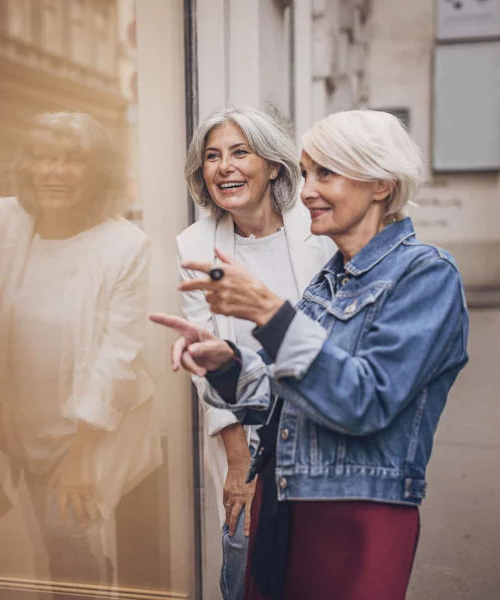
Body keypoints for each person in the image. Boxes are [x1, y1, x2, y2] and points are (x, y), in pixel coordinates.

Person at [152, 110, 470, 600]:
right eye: (307, 173)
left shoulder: (427, 274)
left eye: (326, 173)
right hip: (288, 504)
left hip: (357, 515)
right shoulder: (329, 281)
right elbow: (285, 398)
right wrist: (226, 365)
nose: (306, 192)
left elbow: (365, 398)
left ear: (381, 184)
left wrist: (271, 315)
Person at [0, 112, 162, 584]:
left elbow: (118, 356)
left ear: (98, 172)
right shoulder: (2, 226)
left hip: (85, 433)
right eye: (43, 158)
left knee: (71, 554)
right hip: (19, 428)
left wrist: (79, 458)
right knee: (49, 551)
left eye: (72, 161)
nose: (54, 172)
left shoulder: (124, 246)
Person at [177, 105, 335, 600]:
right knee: (245, 562)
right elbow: (206, 361)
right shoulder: (195, 243)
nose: (224, 166)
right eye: (212, 156)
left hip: (321, 426)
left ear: (272, 165)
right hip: (244, 435)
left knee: (319, 566)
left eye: (240, 152)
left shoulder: (319, 231)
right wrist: (238, 464)